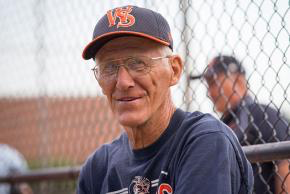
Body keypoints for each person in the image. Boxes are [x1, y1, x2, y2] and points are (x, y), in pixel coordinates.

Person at [77, 6, 253, 194]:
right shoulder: (97, 167)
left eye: (137, 63)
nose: (122, 82)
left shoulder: (204, 141)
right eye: (109, 67)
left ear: (174, 70)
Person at [197, 55, 290, 194]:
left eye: (214, 83)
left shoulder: (261, 113)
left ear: (239, 82)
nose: (209, 92)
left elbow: (285, 165)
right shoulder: (222, 124)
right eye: (208, 85)